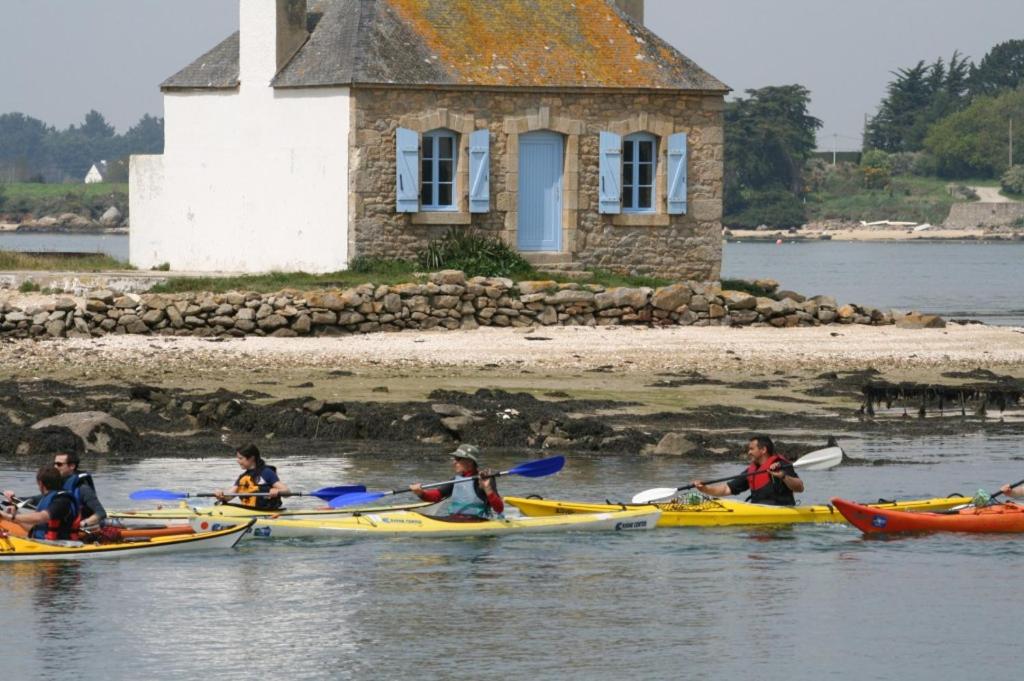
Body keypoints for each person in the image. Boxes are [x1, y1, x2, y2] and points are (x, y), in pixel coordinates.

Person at [692, 435, 804, 506]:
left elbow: (799, 488)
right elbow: (727, 489)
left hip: (781, 514)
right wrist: (705, 489)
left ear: (763, 450)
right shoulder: (752, 471)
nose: (749, 452)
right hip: (758, 512)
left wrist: (783, 476)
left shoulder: (781, 465)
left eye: (751, 449)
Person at [409, 444, 504, 518]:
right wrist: (420, 493)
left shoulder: (485, 479)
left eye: (458, 459)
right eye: (454, 459)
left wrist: (487, 489)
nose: (454, 462)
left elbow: (499, 509)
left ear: (470, 461)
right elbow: (436, 496)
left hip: (478, 521)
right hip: (455, 520)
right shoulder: (456, 480)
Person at [1, 465, 77, 540]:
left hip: (58, 544)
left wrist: (10, 517)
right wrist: (15, 515)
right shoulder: (47, 498)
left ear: (40, 483)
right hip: (43, 541)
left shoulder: (62, 500)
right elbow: (33, 528)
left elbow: (42, 517)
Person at [214, 444, 289, 510]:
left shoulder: (266, 472)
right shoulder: (242, 477)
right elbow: (229, 497)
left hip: (268, 513)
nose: (238, 461)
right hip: (249, 513)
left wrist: (278, 491)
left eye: (240, 458)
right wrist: (221, 495)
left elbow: (287, 492)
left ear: (251, 458)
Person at [54, 451, 107, 531]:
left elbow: (101, 513)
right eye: (54, 464)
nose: (55, 467)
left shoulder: (83, 489)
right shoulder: (57, 485)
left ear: (72, 466)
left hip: (82, 528)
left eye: (59, 464)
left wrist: (82, 523)